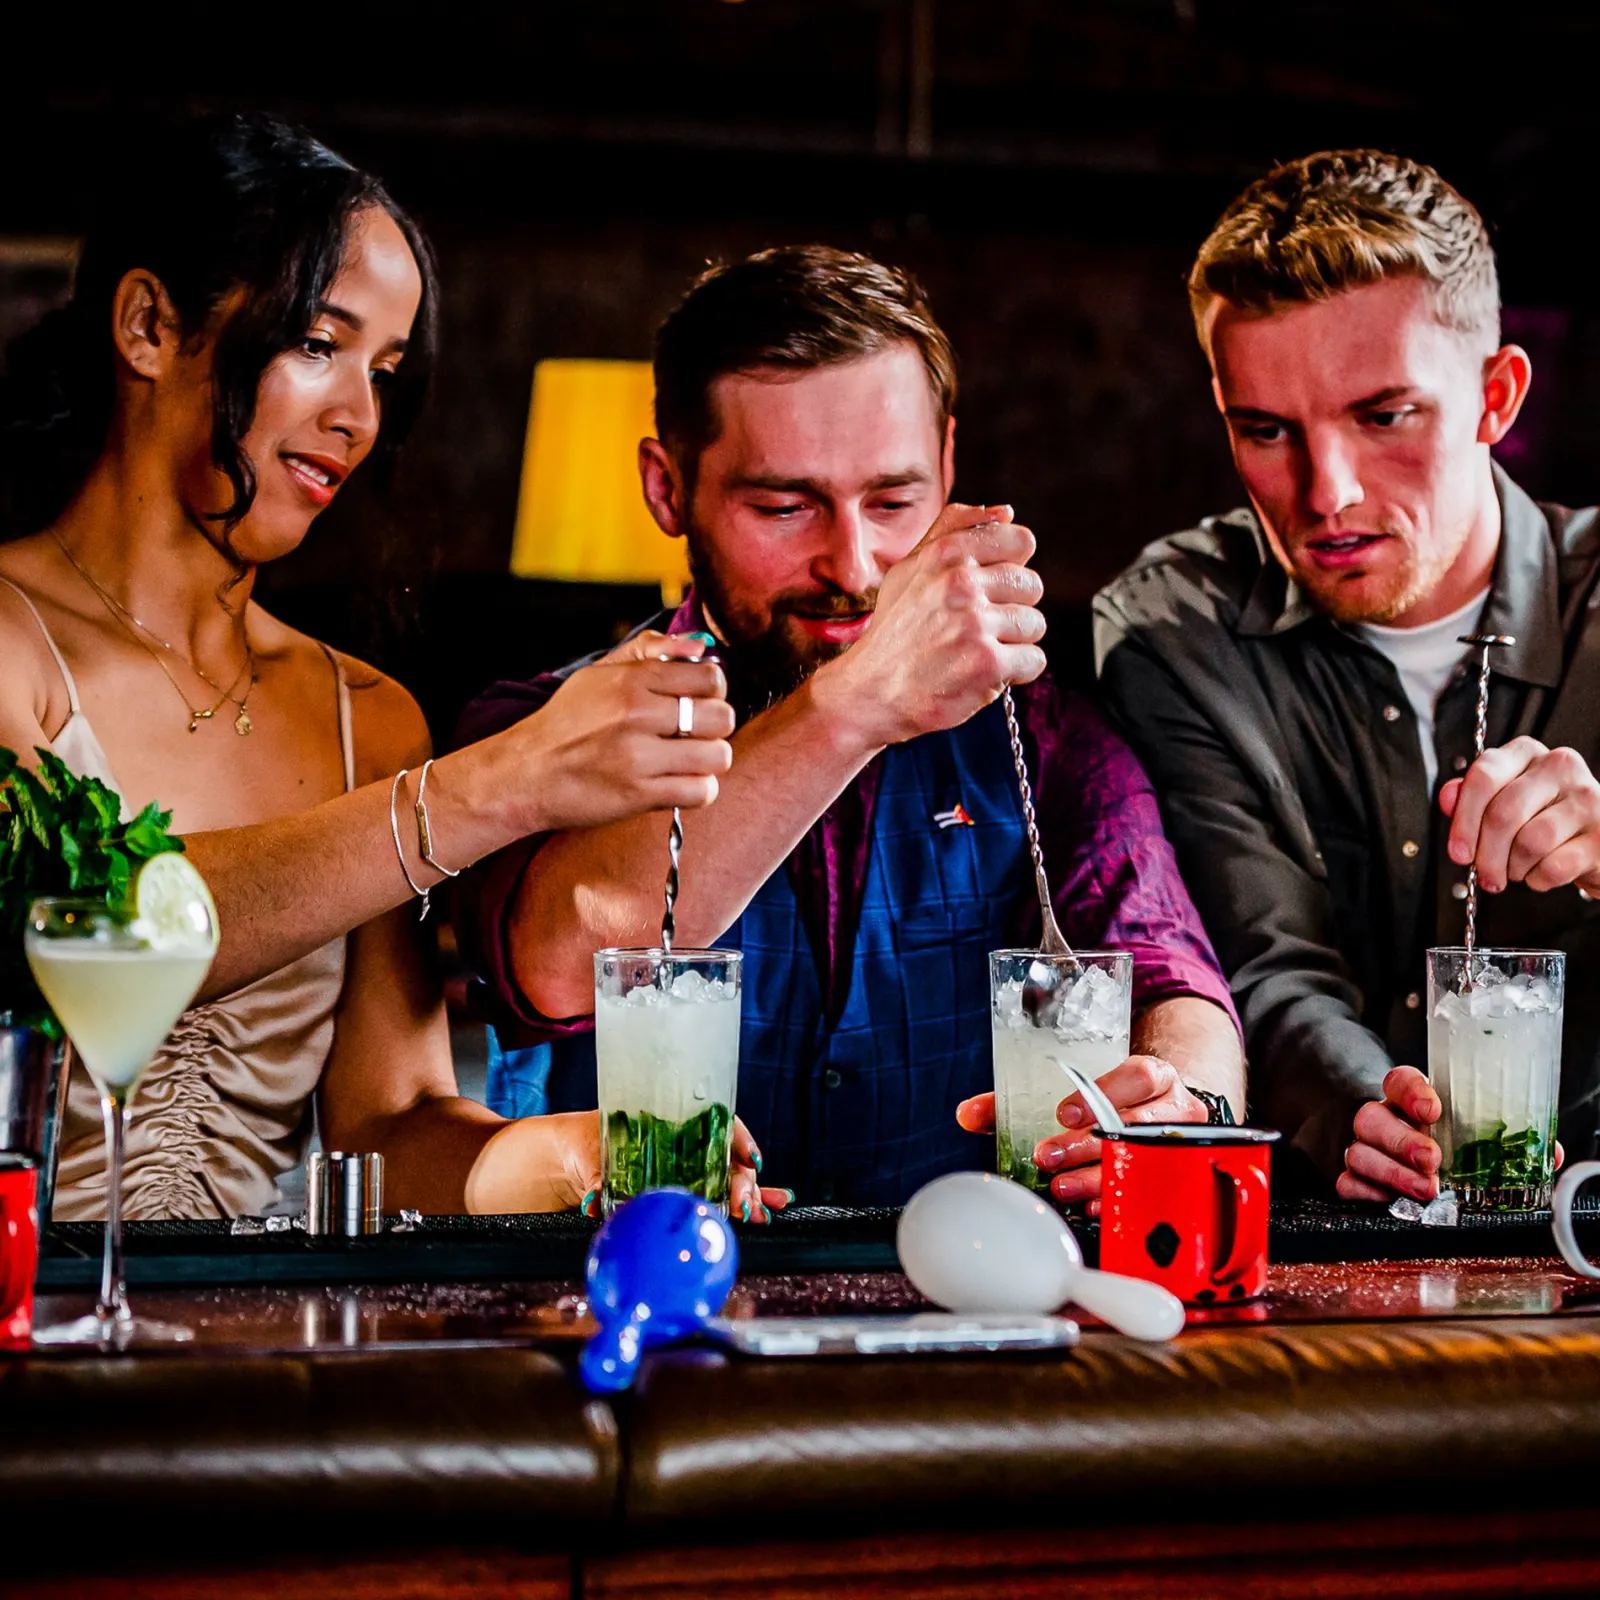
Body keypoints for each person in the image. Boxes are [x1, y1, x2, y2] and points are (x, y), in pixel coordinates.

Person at [0, 113, 785, 1223]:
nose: (359, 416)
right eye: (319, 345)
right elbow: (73, 934)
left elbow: (391, 1123)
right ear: (149, 325)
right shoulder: (10, 639)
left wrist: (580, 1154)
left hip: (253, 1325)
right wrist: (498, 784)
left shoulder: (366, 717)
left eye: (384, 370)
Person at [454, 244, 1243, 1210]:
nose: (854, 565)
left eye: (894, 500)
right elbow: (554, 966)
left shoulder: (1045, 740)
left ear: (947, 462)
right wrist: (856, 703)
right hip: (615, 1294)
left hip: (961, 1293)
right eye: (785, 506)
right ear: (667, 487)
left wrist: (1180, 1097)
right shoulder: (531, 728)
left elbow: (1172, 980)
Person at [1094, 149, 1600, 1202]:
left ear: (1496, 396)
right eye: (1265, 431)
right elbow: (1264, 956)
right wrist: (1360, 1108)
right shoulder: (1171, 633)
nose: (1325, 492)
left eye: (1383, 417)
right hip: (1311, 1242)